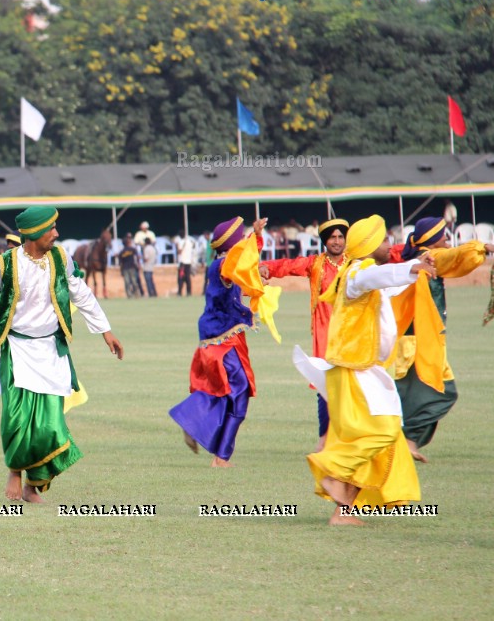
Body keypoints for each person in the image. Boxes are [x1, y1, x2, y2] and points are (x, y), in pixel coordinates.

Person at [0, 206, 124, 502]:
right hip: (17, 350)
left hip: (51, 350)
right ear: (35, 232)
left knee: (49, 427)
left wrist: (106, 331)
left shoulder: (61, 258)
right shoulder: (3, 265)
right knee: (15, 418)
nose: (57, 233)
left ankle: (33, 485)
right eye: (51, 228)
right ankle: (14, 470)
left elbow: (81, 293)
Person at [293, 215, 434, 526]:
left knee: (380, 446)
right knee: (382, 432)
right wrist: (410, 267)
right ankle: (333, 469)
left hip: (367, 370)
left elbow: (390, 284)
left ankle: (344, 512)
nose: (388, 245)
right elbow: (378, 278)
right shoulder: (358, 274)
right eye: (383, 240)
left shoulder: (363, 275)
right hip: (355, 372)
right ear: (370, 245)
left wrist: (423, 264)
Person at [394, 216, 494, 463]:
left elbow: (457, 263)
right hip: (417, 341)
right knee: (441, 392)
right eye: (443, 236)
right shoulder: (431, 257)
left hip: (424, 339)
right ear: (432, 239)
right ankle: (400, 441)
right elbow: (454, 257)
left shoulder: (429, 260)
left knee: (418, 394)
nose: (448, 240)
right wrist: (481, 247)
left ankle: (406, 443)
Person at [170, 217, 267, 467]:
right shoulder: (224, 265)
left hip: (224, 335)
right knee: (240, 391)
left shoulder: (224, 265)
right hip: (223, 339)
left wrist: (255, 240)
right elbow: (241, 263)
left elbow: (242, 272)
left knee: (225, 391)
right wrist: (253, 240)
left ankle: (199, 431)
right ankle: (219, 456)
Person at [260, 218, 348, 451]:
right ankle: (324, 438)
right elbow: (289, 265)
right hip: (325, 333)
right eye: (333, 237)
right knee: (324, 385)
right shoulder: (315, 264)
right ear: (325, 241)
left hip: (352, 333)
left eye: (340, 237)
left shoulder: (357, 264)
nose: (337, 241)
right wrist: (266, 267)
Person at [118, 233, 142, 298]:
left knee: (127, 282)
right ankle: (137, 294)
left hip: (126, 268)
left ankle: (130, 295)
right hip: (132, 267)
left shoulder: (122, 252)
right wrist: (138, 264)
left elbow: (121, 264)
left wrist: (121, 271)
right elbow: (137, 258)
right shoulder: (132, 250)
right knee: (134, 282)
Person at [174, 232, 194, 296]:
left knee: (181, 278)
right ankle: (189, 292)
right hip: (188, 262)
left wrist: (177, 246)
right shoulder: (189, 242)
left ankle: (179, 292)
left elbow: (179, 252)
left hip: (182, 262)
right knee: (188, 278)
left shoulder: (181, 242)